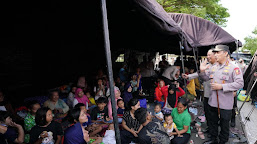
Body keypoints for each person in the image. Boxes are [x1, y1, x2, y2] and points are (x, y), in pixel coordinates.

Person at [199, 45, 244, 144]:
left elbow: (240, 83)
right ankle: (213, 139)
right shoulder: (214, 67)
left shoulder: (234, 67)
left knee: (224, 125)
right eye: (214, 52)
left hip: (225, 104)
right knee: (213, 123)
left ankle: (223, 141)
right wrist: (202, 71)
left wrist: (222, 87)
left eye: (218, 52)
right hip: (212, 102)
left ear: (225, 53)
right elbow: (205, 78)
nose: (215, 55)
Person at [182, 49, 216, 136]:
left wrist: (202, 71)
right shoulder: (208, 65)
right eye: (207, 55)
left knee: (213, 115)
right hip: (207, 93)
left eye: (209, 55)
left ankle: (214, 134)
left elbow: (205, 77)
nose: (208, 57)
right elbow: (198, 73)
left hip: (215, 95)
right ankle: (210, 129)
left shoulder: (218, 66)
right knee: (207, 112)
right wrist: (188, 76)